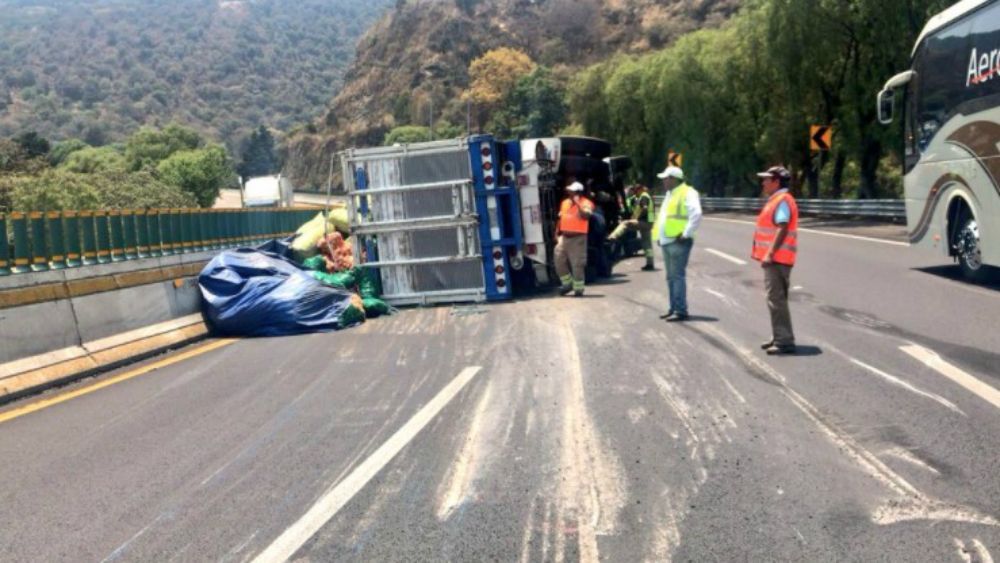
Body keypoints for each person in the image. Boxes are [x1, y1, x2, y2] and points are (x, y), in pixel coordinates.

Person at [752, 166, 798, 355]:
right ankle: (779, 335)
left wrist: (770, 253)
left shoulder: (782, 200)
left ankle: (784, 340)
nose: (763, 183)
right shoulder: (778, 199)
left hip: (778, 259)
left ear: (777, 181)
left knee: (776, 299)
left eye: (766, 179)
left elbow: (782, 226)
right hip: (778, 259)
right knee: (777, 299)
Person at [654, 166, 701, 321]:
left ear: (673, 179)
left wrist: (686, 233)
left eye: (665, 178)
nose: (663, 181)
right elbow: (664, 218)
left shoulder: (688, 192)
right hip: (668, 240)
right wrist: (660, 238)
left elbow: (696, 214)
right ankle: (673, 307)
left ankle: (680, 310)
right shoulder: (670, 194)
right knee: (670, 277)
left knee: (677, 276)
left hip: (678, 241)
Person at [555, 181, 594, 296]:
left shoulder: (586, 203)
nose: (569, 192)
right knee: (558, 259)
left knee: (577, 264)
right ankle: (567, 284)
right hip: (564, 237)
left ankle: (578, 289)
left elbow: (586, 216)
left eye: (571, 191)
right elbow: (560, 218)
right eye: (569, 191)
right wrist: (557, 233)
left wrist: (578, 204)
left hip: (578, 238)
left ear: (578, 193)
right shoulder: (564, 203)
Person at [607, 184, 656, 270]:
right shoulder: (647, 196)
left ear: (640, 190)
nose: (635, 193)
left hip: (644, 222)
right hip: (649, 223)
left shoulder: (643, 197)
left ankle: (612, 237)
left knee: (625, 223)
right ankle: (650, 263)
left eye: (636, 191)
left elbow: (644, 208)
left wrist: (637, 217)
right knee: (647, 244)